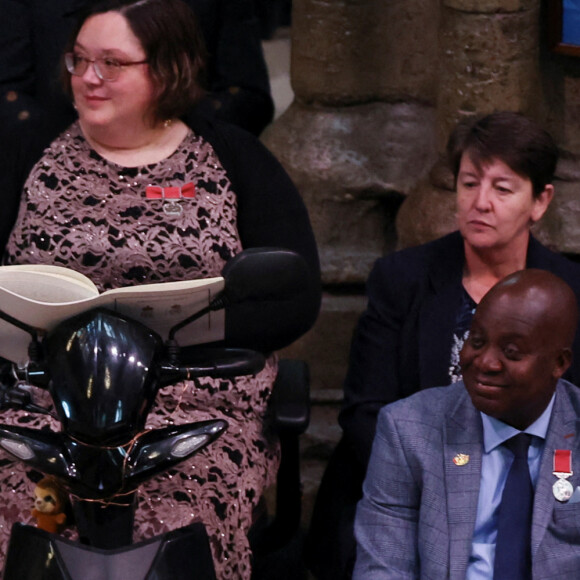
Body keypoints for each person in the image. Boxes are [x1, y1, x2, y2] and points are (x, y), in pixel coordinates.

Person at [0, 1, 320, 578]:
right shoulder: (29, 154)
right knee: (21, 514)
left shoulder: (230, 157)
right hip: (44, 403)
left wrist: (187, 334)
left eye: (112, 63)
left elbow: (294, 296)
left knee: (176, 524)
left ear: (166, 72)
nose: (89, 77)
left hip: (189, 403)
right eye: (79, 60)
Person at [306, 111, 580, 579]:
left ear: (540, 201)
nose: (480, 202)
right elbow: (365, 411)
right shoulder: (403, 279)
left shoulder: (570, 293)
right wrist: (439, 482)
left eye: (502, 188)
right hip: (410, 482)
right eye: (469, 183)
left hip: (537, 482)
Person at [353, 269, 580, 578]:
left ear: (559, 364)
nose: (485, 362)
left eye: (511, 352)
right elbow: (384, 566)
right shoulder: (408, 429)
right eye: (477, 341)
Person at [0, 0, 274, 154]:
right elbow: (9, 95)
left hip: (189, 166)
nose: (94, 77)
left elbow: (248, 98)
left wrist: (161, 138)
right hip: (49, 159)